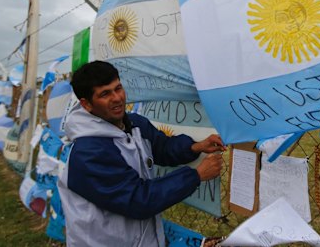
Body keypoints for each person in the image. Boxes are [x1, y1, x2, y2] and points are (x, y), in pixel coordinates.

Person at [57, 61, 225, 247]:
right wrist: (196, 175)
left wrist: (196, 147)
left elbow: (162, 147)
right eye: (105, 94)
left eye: (118, 88)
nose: (117, 98)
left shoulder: (133, 124)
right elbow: (138, 200)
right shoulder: (89, 152)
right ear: (86, 104)